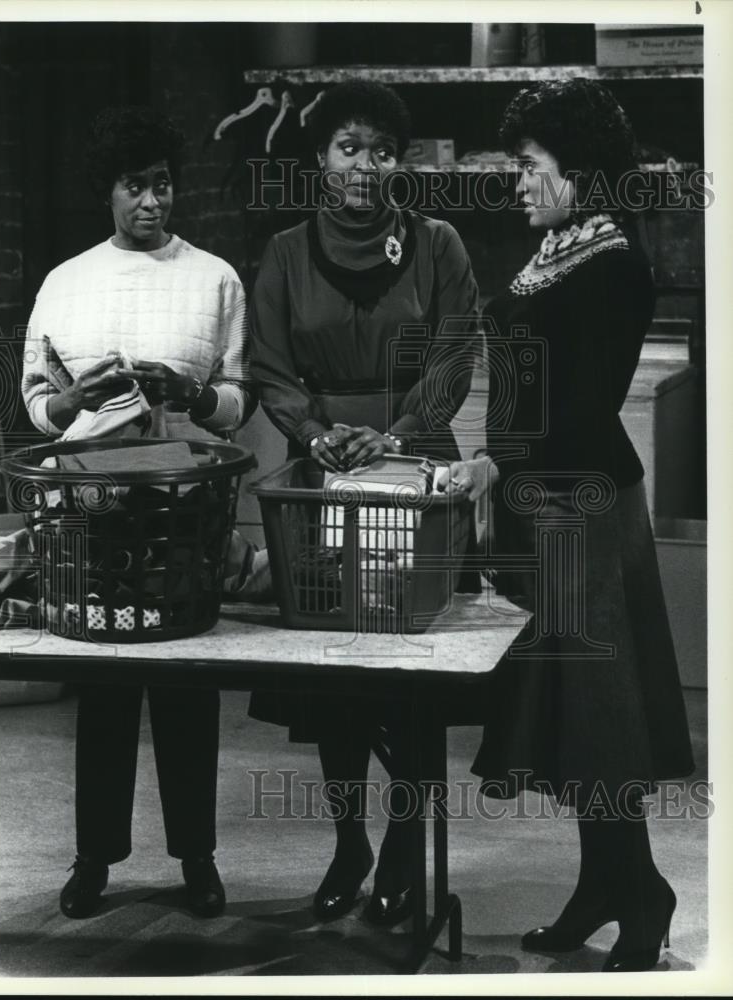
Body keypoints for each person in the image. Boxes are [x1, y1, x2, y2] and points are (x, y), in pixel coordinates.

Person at [446, 78, 695, 972]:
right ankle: (603, 884)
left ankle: (645, 893)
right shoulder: (552, 254)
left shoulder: (614, 265)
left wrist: (495, 462)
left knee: (599, 717)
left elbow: (582, 409)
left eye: (529, 166)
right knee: (571, 721)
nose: (517, 182)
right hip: (541, 503)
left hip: (583, 508)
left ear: (576, 173)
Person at [248, 80, 481, 926]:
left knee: (406, 675)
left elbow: (455, 354)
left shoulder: (437, 244)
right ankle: (349, 840)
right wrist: (314, 436)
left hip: (413, 470)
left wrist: (402, 433)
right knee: (333, 675)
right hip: (320, 479)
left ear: (400, 162)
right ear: (321, 158)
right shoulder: (282, 252)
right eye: (350, 147)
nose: (366, 165)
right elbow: (269, 364)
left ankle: (403, 844)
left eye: (383, 150)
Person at [21, 106, 255, 919]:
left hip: (185, 509)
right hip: (91, 509)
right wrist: (74, 401)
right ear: (108, 193)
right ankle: (95, 859)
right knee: (106, 688)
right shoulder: (66, 281)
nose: (150, 201)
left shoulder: (216, 279)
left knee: (188, 687)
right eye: (134, 185)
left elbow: (236, 399)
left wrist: (190, 393)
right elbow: (36, 405)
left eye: (162, 184)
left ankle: (197, 857)